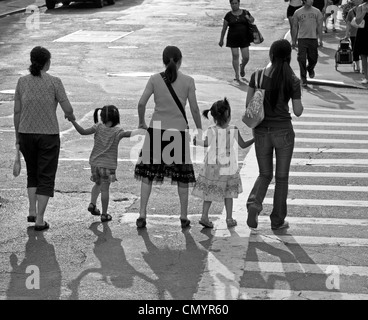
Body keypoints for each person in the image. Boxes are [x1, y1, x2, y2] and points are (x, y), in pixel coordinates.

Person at [134, 45, 203, 229]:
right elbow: (195, 109)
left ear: (163, 61)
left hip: (156, 130)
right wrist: (200, 129)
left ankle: (142, 213)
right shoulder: (188, 81)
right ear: (180, 61)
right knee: (182, 176)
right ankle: (183, 216)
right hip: (178, 132)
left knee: (148, 173)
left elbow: (141, 103)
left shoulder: (155, 79)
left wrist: (142, 122)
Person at [13, 46, 75, 231]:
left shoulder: (22, 82)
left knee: (32, 173)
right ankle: (40, 219)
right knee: (46, 176)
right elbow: (68, 109)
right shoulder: (54, 82)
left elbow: (17, 111)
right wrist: (69, 115)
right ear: (47, 62)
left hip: (25, 134)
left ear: (32, 61)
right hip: (48, 135)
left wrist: (18, 136)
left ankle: (32, 210)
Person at [244, 39, 304, 231]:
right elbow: (298, 111)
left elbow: (249, 106)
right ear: (288, 57)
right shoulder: (292, 79)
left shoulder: (257, 76)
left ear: (271, 54)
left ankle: (254, 204)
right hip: (283, 132)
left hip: (261, 131)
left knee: (264, 173)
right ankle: (277, 220)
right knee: (282, 178)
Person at [68, 105, 142, 222]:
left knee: (97, 184)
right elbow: (130, 133)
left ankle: (92, 203)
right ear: (116, 118)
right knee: (105, 189)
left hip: (95, 163)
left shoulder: (98, 127)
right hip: (108, 165)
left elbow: (82, 131)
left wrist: (73, 121)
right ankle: (104, 213)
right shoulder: (118, 131)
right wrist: (144, 130)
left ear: (102, 117)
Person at [192, 98, 254, 228]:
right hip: (228, 165)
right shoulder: (233, 129)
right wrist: (255, 139)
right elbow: (243, 145)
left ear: (214, 117)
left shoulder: (211, 129)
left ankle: (204, 216)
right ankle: (229, 218)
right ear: (228, 115)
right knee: (228, 192)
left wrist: (196, 141)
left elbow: (206, 144)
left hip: (212, 163)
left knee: (209, 190)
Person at [219, 0, 255, 81]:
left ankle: (242, 66)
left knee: (246, 57)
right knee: (235, 56)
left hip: (244, 38)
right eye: (232, 4)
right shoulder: (228, 15)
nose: (234, 5)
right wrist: (221, 40)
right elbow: (224, 28)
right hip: (233, 38)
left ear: (239, 3)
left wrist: (249, 18)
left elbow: (252, 20)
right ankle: (236, 74)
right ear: (230, 4)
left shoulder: (245, 12)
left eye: (236, 3)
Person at [292, 0, 324, 87]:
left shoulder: (317, 11)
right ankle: (303, 78)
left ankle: (310, 69)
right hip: (302, 38)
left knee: (313, 58)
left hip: (313, 38)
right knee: (301, 58)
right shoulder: (298, 12)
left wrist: (321, 39)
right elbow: (295, 26)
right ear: (304, 1)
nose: (312, 1)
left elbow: (320, 26)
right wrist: (293, 40)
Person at [345, 0, 363, 73]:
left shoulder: (365, 10)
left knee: (363, 51)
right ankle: (357, 66)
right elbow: (348, 24)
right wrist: (346, 34)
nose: (357, 1)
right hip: (354, 34)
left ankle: (364, 67)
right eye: (355, 0)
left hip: (363, 34)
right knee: (355, 51)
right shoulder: (351, 12)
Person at [354, 0, 368, 84]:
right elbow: (357, 21)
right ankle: (366, 77)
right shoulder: (361, 7)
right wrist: (364, 12)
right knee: (363, 55)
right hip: (363, 33)